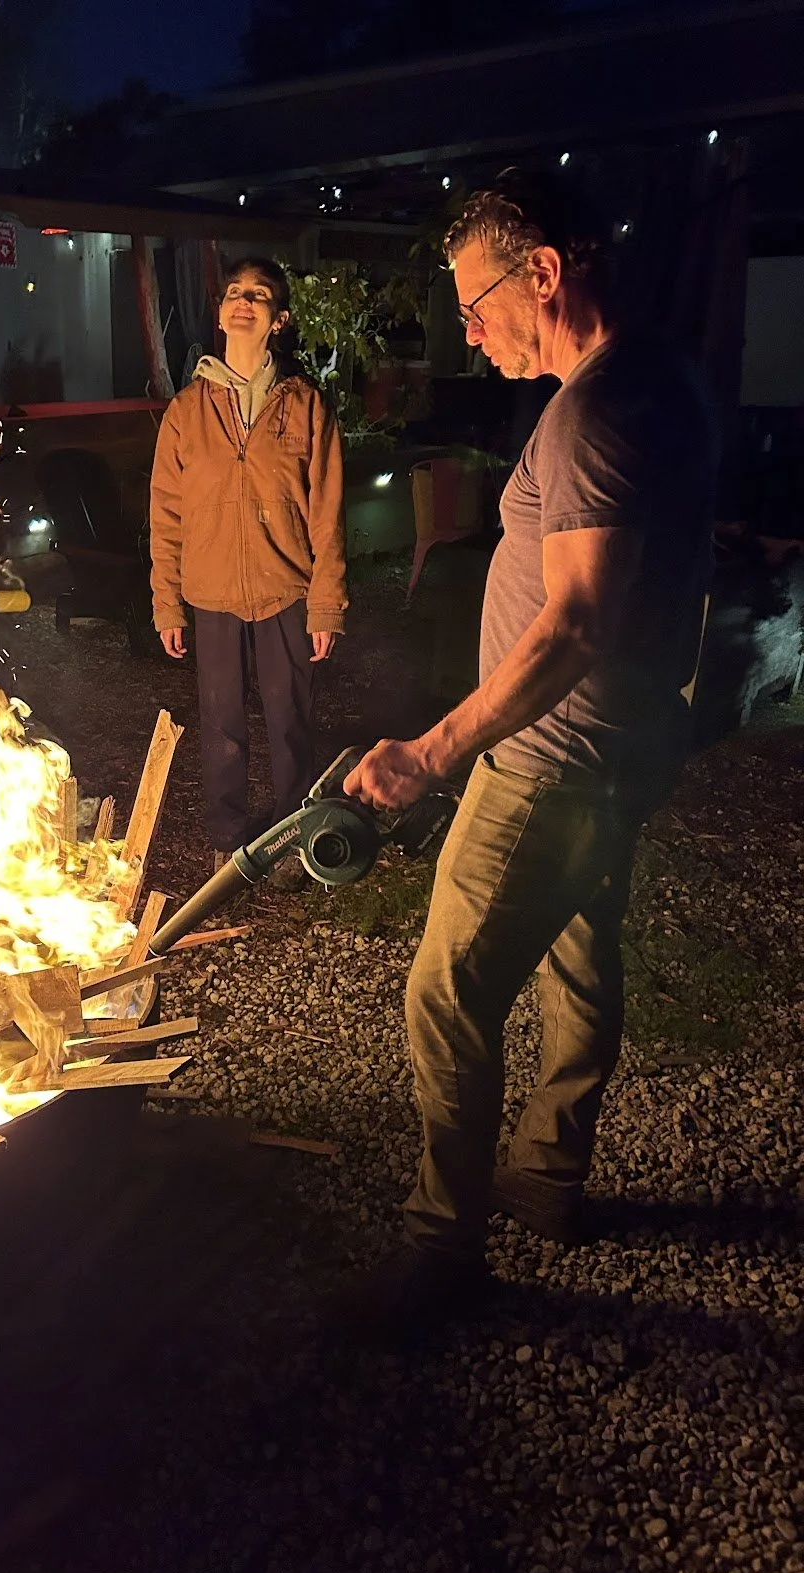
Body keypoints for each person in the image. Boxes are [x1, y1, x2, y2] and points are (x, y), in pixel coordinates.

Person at [337, 170, 717, 1332]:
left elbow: (576, 622)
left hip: (552, 758)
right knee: (579, 955)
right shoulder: (657, 377)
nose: (468, 330)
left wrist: (433, 750)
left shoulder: (594, 412)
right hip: (622, 746)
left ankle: (441, 1249)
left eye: (475, 303)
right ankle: (548, 1173)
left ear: (543, 274)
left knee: (447, 991)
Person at [149, 257, 347, 882]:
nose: (243, 302)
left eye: (258, 295)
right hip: (211, 594)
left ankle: (292, 838)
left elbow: (328, 515)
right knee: (222, 727)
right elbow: (165, 515)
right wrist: (167, 601)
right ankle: (229, 841)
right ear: (220, 313)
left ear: (277, 319)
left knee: (290, 726)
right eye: (234, 292)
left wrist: (325, 604)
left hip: (285, 589)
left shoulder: (306, 406)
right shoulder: (187, 411)